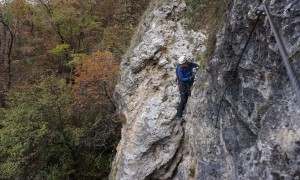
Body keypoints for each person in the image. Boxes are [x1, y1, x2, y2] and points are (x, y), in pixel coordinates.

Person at [176, 55, 199, 125]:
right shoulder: (180, 69)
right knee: (183, 99)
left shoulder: (189, 64)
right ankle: (179, 116)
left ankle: (184, 112)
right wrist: (189, 78)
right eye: (182, 64)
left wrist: (198, 67)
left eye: (184, 63)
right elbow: (181, 78)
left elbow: (196, 65)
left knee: (187, 97)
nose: (184, 65)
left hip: (189, 82)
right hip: (183, 84)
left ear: (186, 61)